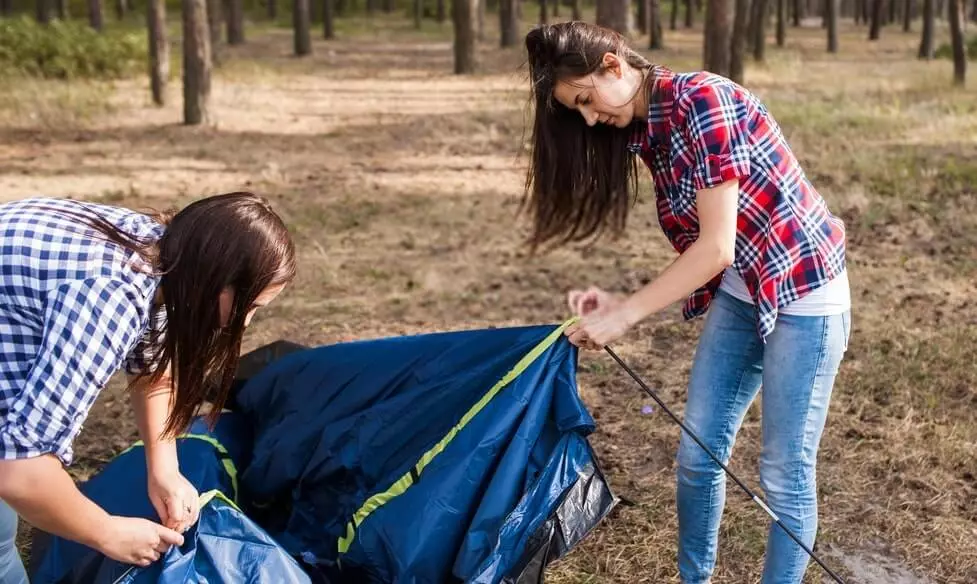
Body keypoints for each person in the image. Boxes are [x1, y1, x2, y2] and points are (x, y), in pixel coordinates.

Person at [521, 21, 852, 584]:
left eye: (584, 100)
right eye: (573, 111)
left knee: (783, 474)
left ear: (613, 66)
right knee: (699, 458)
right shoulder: (646, 128)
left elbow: (716, 246)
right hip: (743, 295)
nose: (588, 117)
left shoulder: (704, 100)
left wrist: (624, 313)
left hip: (803, 295)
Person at [0, 192, 296, 582]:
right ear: (214, 280)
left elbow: (154, 369)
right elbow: (22, 471)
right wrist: (107, 533)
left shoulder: (163, 251)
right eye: (250, 307)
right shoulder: (108, 303)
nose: (245, 325)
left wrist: (165, 469)